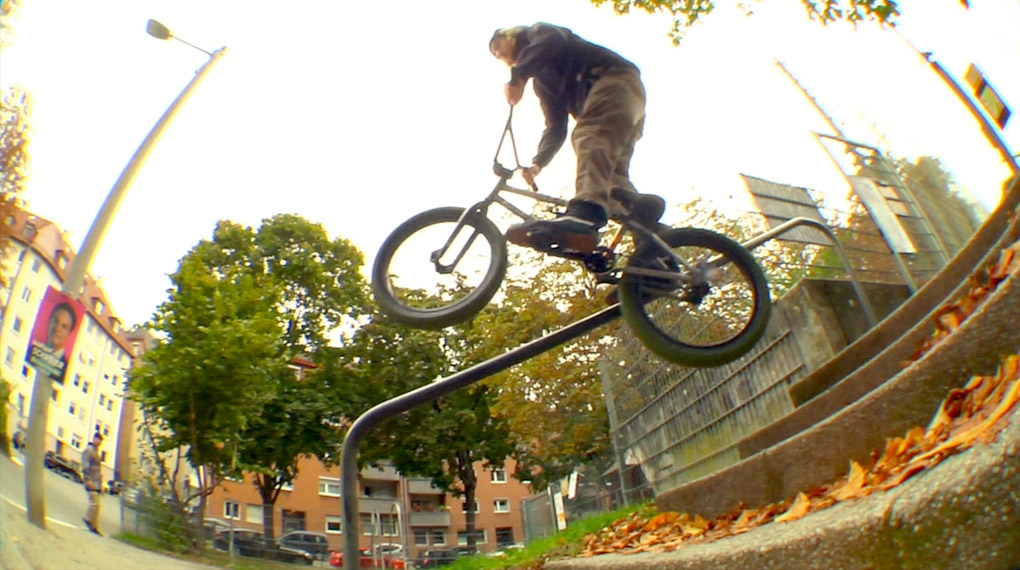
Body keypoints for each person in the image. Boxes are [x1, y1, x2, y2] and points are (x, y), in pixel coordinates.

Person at [489, 23, 665, 254]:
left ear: (510, 36)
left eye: (497, 46)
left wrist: (518, 76)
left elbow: (551, 42)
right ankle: (655, 245)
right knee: (612, 179)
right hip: (622, 103)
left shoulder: (538, 33)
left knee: (590, 136)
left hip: (613, 81)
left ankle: (586, 212)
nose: (498, 54)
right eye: (495, 55)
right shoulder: (542, 82)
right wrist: (538, 163)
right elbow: (555, 126)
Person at [81, 432, 104, 536]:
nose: (99, 442)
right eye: (98, 440)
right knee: (95, 503)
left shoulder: (96, 452)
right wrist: (88, 479)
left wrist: (101, 484)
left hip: (96, 481)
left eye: (100, 441)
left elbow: (98, 469)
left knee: (97, 505)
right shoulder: (89, 450)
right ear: (94, 439)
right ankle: (88, 519)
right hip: (91, 481)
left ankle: (94, 525)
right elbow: (85, 466)